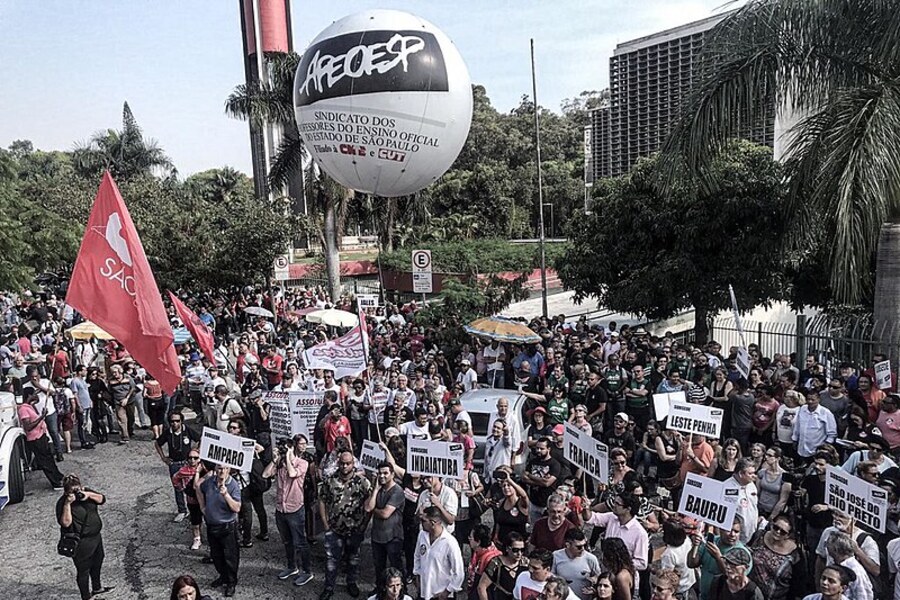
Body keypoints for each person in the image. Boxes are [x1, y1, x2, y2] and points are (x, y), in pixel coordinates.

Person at [318, 450, 372, 600]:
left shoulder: (362, 482)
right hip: (334, 529)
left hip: (355, 529)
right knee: (331, 561)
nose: (344, 466)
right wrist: (325, 523)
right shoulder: (330, 480)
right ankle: (329, 587)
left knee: (353, 559)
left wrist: (364, 525)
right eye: (342, 463)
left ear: (353, 464)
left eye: (348, 463)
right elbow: (322, 499)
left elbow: (370, 504)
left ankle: (351, 583)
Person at [263, 433, 314, 586]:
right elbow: (265, 474)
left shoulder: (302, 463)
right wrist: (274, 459)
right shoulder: (279, 463)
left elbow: (292, 474)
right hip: (281, 509)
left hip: (295, 509)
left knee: (300, 542)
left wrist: (289, 455)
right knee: (287, 541)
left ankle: (307, 571)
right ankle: (292, 567)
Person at [56, 474, 113, 600]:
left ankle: (97, 587)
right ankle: (85, 596)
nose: (77, 493)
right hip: (82, 542)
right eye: (73, 491)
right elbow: (65, 523)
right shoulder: (62, 503)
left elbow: (102, 499)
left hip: (96, 537)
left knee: (98, 561)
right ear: (66, 492)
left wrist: (88, 495)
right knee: (83, 570)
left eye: (78, 489)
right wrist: (68, 504)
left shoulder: (86, 492)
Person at [196, 463, 242, 598]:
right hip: (212, 525)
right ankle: (223, 577)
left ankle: (231, 582)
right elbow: (197, 486)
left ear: (229, 469)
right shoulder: (210, 481)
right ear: (215, 469)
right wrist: (202, 507)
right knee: (216, 556)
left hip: (227, 527)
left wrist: (226, 494)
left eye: (225, 468)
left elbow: (237, 508)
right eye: (220, 468)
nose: (222, 471)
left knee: (230, 557)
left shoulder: (233, 484)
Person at [688, 516, 750, 600]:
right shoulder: (710, 542)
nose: (732, 534)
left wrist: (718, 557)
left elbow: (734, 579)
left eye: (736, 531)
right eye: (728, 530)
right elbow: (691, 564)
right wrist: (695, 546)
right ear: (720, 529)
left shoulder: (742, 554)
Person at [365, 461, 405, 592]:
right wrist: (375, 489)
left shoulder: (397, 491)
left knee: (396, 567)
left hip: (393, 536)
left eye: (385, 473)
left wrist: (373, 509)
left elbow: (385, 514)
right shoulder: (377, 489)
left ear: (392, 474)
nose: (382, 476)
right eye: (380, 473)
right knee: (379, 567)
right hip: (377, 536)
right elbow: (367, 507)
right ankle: (381, 590)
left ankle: (401, 592)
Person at [156, 410, 201, 522]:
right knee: (178, 488)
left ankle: (195, 510)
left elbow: (200, 439)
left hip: (187, 463)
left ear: (181, 421)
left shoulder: (187, 430)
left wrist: (195, 452)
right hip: (174, 464)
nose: (175, 424)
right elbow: (157, 443)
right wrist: (163, 458)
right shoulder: (168, 432)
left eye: (177, 421)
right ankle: (182, 510)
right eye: (172, 421)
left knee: (192, 487)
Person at [747, 515, 806, 600]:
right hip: (750, 593)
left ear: (788, 535)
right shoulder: (758, 536)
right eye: (776, 527)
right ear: (771, 525)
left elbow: (798, 585)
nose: (778, 532)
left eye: (783, 532)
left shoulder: (796, 555)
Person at [414, 506, 466, 600]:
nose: (421, 524)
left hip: (441, 595)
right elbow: (417, 556)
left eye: (423, 521)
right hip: (424, 592)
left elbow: (459, 572)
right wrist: (417, 575)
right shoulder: (422, 535)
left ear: (433, 523)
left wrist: (447, 591)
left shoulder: (450, 542)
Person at [17, 387, 64, 489]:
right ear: (29, 396)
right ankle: (55, 482)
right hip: (35, 439)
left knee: (49, 457)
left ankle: (58, 476)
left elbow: (36, 402)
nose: (36, 396)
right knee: (45, 461)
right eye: (34, 394)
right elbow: (28, 427)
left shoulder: (31, 406)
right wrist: (41, 418)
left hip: (41, 435)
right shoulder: (23, 409)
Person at [552, 528, 601, 600]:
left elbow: (599, 578)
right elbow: (551, 577)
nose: (583, 549)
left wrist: (594, 587)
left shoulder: (591, 559)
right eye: (579, 547)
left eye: (585, 545)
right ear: (568, 545)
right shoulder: (556, 556)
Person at [822, 531, 873, 600]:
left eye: (827, 545)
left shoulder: (856, 570)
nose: (826, 548)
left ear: (835, 549)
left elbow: (864, 596)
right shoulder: (834, 564)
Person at [479, 531, 529, 600]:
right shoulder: (496, 563)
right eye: (515, 550)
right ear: (507, 548)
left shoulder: (525, 563)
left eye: (522, 550)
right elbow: (482, 586)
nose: (519, 553)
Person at [172, 450, 206, 550]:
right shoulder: (183, 470)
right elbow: (175, 478)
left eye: (195, 458)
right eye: (190, 458)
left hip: (205, 500)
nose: (192, 460)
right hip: (192, 500)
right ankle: (197, 538)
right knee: (195, 521)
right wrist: (181, 488)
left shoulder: (205, 469)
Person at [522, 438, 562, 524]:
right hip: (533, 502)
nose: (538, 451)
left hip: (547, 504)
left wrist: (530, 476)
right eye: (537, 448)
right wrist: (541, 480)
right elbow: (524, 477)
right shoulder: (533, 462)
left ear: (549, 449)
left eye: (542, 449)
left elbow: (547, 483)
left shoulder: (555, 464)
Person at [792, 391, 837, 461]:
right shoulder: (803, 409)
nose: (810, 402)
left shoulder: (825, 413)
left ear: (818, 399)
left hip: (816, 451)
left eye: (813, 400)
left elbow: (832, 433)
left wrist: (824, 448)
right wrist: (795, 439)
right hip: (801, 448)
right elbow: (797, 426)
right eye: (808, 399)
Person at [659, 520, 696, 599]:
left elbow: (667, 576)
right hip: (690, 581)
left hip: (680, 588)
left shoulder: (669, 554)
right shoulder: (686, 540)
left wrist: (654, 570)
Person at [725, 458, 759, 543]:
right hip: (734, 537)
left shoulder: (751, 484)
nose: (754, 476)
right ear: (740, 473)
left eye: (754, 473)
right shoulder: (727, 489)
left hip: (751, 533)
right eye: (750, 473)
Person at [468, 524, 502, 600]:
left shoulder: (492, 558)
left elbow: (482, 588)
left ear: (478, 542)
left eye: (471, 538)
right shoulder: (477, 553)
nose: (469, 539)